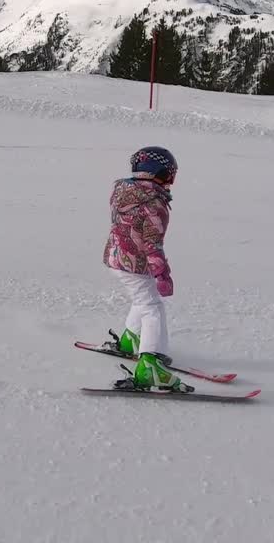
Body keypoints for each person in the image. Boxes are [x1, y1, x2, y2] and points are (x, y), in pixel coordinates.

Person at [102, 146, 191, 392]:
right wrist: (162, 274)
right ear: (161, 173)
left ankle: (131, 341)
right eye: (170, 174)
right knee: (153, 307)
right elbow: (153, 244)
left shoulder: (123, 190)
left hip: (116, 257)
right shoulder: (154, 203)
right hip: (134, 263)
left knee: (142, 299)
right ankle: (150, 366)